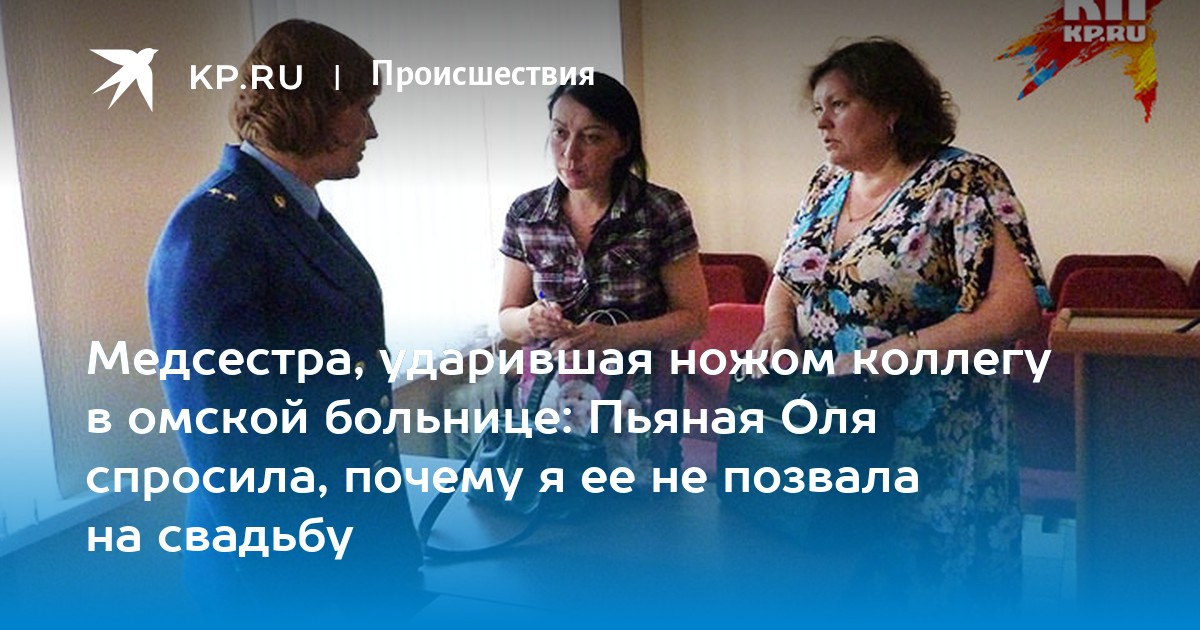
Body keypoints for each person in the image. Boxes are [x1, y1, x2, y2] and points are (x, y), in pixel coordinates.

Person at [750, 37, 1052, 609]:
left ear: (891, 108)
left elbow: (1015, 310)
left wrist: (890, 354)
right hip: (835, 431)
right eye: (818, 108)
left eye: (838, 105)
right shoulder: (825, 184)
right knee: (845, 582)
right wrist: (776, 329)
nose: (822, 122)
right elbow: (787, 278)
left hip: (932, 434)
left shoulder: (964, 181)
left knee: (936, 591)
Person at [147, 20, 423, 616]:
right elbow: (226, 441)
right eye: (361, 107)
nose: (372, 129)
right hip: (288, 575)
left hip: (350, 545)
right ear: (312, 105)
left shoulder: (288, 211)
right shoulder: (213, 226)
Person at [498, 72, 708, 472]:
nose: (570, 153)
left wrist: (612, 338)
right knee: (552, 497)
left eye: (592, 137)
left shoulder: (660, 211)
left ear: (622, 144)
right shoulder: (527, 213)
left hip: (637, 402)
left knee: (635, 503)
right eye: (560, 133)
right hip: (550, 400)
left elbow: (694, 320)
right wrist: (531, 319)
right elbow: (507, 317)